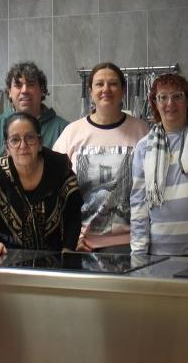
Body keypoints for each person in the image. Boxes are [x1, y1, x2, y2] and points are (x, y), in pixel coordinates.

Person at [53, 63, 149, 253]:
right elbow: (56, 192)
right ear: (90, 91)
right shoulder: (72, 133)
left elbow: (151, 190)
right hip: (83, 246)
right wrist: (71, 239)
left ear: (123, 91)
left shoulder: (142, 131)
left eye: (113, 84)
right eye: (99, 84)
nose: (106, 89)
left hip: (132, 246)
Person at [0, 112, 82, 255]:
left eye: (30, 138)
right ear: (7, 148)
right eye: (15, 140)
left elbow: (74, 216)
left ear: (40, 143)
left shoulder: (60, 168)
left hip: (55, 260)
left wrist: (68, 250)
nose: (23, 145)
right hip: (7, 260)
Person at [129, 73, 188, 256]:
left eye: (177, 96)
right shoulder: (144, 147)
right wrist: (138, 253)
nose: (170, 104)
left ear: (187, 99)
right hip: (159, 249)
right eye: (163, 97)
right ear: (155, 103)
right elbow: (138, 204)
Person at [0, 62, 68, 183]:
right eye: (18, 85)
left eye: (30, 84)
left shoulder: (64, 129)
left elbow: (67, 176)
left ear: (42, 90)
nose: (24, 90)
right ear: (9, 92)